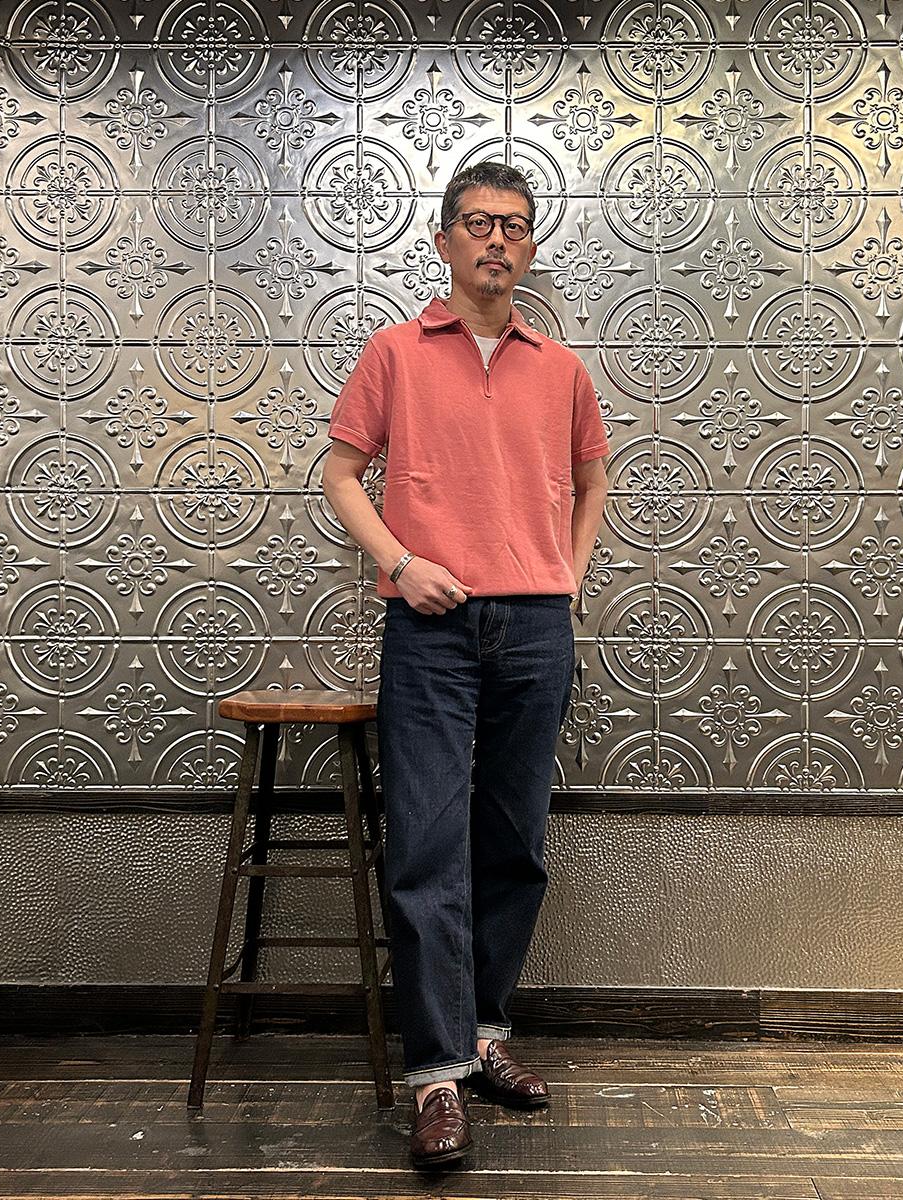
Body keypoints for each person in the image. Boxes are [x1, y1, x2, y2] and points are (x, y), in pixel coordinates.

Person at [321, 160, 610, 1169]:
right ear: (445, 240)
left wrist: (565, 578)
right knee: (428, 846)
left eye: (515, 226)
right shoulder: (395, 352)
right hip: (431, 634)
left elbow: (593, 479)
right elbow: (340, 475)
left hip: (535, 630)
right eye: (479, 223)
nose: (497, 239)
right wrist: (402, 564)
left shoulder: (561, 369)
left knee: (514, 843)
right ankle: (436, 1076)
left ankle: (486, 1035)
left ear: (530, 249)